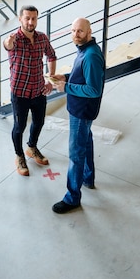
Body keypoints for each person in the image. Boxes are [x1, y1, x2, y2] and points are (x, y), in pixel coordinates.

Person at [50, 17, 105, 214]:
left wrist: (66, 86)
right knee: (86, 143)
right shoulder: (84, 50)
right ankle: (88, 178)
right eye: (73, 31)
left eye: (80, 31)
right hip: (81, 110)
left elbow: (93, 90)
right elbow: (80, 75)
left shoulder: (90, 56)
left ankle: (72, 197)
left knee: (75, 154)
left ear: (89, 32)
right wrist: (65, 77)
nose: (76, 34)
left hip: (82, 112)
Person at [4, 5, 57, 176]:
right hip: (20, 92)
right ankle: (19, 156)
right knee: (19, 127)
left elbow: (51, 55)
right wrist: (8, 42)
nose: (30, 22)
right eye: (27, 18)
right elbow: (7, 45)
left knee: (39, 122)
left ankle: (31, 148)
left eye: (34, 18)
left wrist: (51, 78)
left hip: (38, 90)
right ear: (20, 19)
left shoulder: (42, 38)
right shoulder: (15, 39)